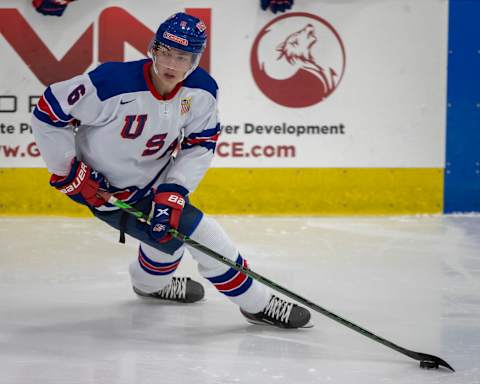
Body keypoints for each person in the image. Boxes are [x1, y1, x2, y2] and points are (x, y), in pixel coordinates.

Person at [31, 12, 311, 329]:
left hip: (157, 183)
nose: (171, 65)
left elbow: (200, 142)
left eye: (182, 57)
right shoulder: (110, 83)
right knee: (204, 235)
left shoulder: (202, 91)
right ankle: (258, 304)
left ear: (194, 60)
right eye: (165, 52)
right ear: (153, 48)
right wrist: (68, 170)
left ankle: (150, 285)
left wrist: (175, 190)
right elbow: (48, 111)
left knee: (165, 238)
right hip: (106, 192)